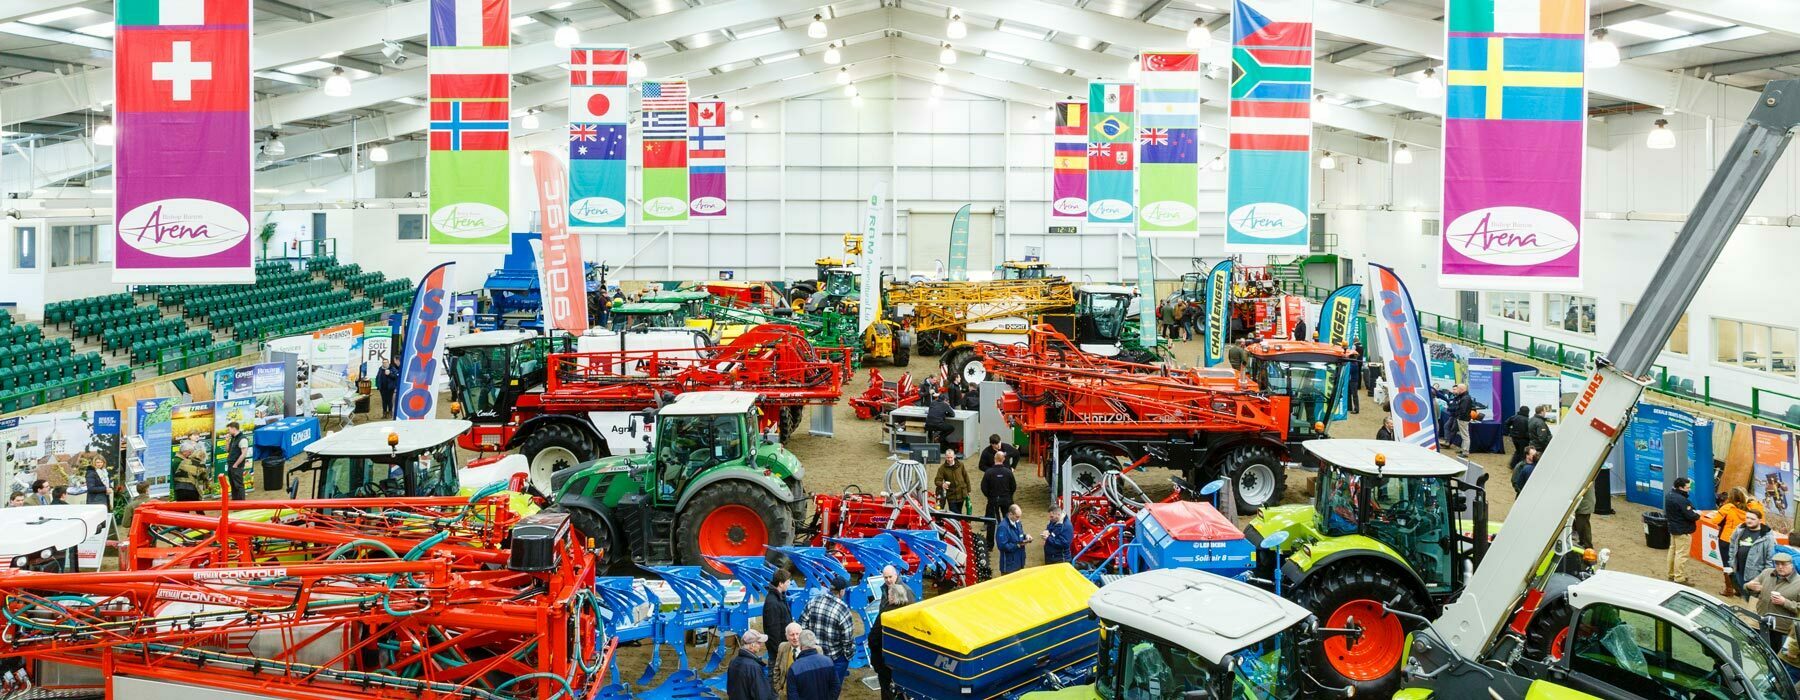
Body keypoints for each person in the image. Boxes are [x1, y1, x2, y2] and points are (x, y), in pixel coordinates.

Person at [797, 577, 857, 682]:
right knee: (833, 688)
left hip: (814, 654)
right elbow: (847, 640)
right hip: (835, 657)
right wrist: (849, 655)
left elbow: (801, 625)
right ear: (842, 591)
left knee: (817, 686)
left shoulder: (813, 601)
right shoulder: (843, 610)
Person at [869, 565, 915, 700]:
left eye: (890, 577)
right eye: (885, 577)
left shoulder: (906, 593)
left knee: (890, 686)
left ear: (896, 575)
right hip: (888, 648)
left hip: (890, 651)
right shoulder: (886, 590)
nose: (888, 580)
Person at [1717, 487, 1768, 596]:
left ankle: (1729, 589)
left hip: (1726, 539)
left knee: (1727, 564)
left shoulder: (1728, 508)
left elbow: (1715, 520)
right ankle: (1741, 589)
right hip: (1743, 539)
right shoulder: (1750, 508)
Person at [1747, 552, 1800, 650]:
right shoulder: (1767, 573)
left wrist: (1785, 602)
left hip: (1781, 630)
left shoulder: (1798, 583)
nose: (1780, 567)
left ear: (1792, 565)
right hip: (1759, 623)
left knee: (1774, 659)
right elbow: (1749, 588)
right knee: (1752, 652)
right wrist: (1749, 586)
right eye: (1777, 564)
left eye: (1784, 564)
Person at [1723, 509, 1777, 602]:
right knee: (1744, 594)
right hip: (1739, 570)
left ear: (1760, 520)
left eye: (1752, 519)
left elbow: (1770, 558)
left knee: (1754, 600)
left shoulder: (1767, 536)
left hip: (1755, 575)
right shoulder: (1740, 529)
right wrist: (1732, 562)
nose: (1749, 520)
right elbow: (1732, 544)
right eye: (1747, 518)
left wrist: (1764, 577)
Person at [1663, 476, 1702, 584]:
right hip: (1682, 530)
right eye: (1687, 487)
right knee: (1681, 555)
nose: (1689, 489)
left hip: (1673, 528)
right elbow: (1691, 516)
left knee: (1672, 551)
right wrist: (1697, 515)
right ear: (1680, 487)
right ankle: (1679, 578)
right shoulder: (1682, 500)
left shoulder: (1669, 495)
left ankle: (1671, 574)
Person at [785, 629, 841, 700]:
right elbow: (836, 686)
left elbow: (792, 696)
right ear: (814, 642)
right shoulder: (828, 662)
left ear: (800, 644)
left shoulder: (794, 668)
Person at [728, 628, 776, 700]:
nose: (761, 645)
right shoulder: (754, 667)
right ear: (752, 645)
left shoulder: (733, 662)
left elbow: (729, 689)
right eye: (759, 642)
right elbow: (761, 695)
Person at [980, 448, 1017, 542]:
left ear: (994, 459)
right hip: (1006, 499)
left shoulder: (989, 472)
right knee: (1008, 520)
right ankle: (1008, 540)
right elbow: (1013, 486)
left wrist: (989, 496)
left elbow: (984, 487)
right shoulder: (1008, 472)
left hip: (993, 500)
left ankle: (990, 544)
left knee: (991, 522)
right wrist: (1009, 496)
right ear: (1003, 459)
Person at [1445, 384, 1485, 457]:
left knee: (1465, 436)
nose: (1457, 390)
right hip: (1463, 419)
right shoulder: (1464, 397)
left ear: (1462, 389)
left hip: (1463, 419)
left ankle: (1465, 452)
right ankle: (1463, 449)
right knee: (1464, 435)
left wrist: (1459, 417)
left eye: (1458, 389)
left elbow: (1463, 410)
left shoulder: (1465, 398)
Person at [174, 431, 210, 501]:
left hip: (180, 487)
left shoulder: (184, 461)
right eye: (194, 435)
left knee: (184, 508)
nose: (197, 436)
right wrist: (207, 484)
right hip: (190, 486)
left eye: (198, 435)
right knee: (196, 506)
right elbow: (205, 478)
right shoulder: (200, 464)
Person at [762, 569, 793, 646]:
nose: (789, 584)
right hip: (778, 648)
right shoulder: (772, 603)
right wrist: (779, 650)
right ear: (781, 584)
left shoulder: (780, 596)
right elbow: (773, 630)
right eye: (788, 582)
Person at [935, 448, 970, 515]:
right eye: (948, 457)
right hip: (951, 495)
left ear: (954, 456)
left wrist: (968, 490)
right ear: (945, 457)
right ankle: (958, 523)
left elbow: (966, 477)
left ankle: (959, 524)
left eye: (951, 457)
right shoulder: (942, 468)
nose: (949, 459)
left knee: (959, 512)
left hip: (962, 493)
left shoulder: (961, 465)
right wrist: (942, 484)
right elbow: (937, 480)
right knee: (954, 514)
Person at [997, 504, 1030, 575]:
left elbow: (1019, 535)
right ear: (1010, 514)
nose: (1019, 519)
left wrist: (1026, 536)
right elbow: (1002, 546)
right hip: (1009, 565)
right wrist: (1017, 545)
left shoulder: (1017, 522)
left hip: (1019, 561)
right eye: (1017, 517)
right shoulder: (1003, 527)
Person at [772, 622, 802, 697]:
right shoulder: (782, 647)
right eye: (792, 635)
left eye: (797, 634)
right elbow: (776, 669)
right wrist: (779, 690)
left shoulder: (813, 649)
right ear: (786, 636)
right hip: (785, 695)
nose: (795, 637)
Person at [224, 423, 249, 501]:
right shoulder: (233, 438)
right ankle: (235, 503)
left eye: (229, 429)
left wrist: (236, 464)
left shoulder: (243, 439)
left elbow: (243, 454)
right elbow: (227, 450)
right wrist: (227, 441)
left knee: (238, 485)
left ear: (234, 428)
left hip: (236, 466)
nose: (228, 431)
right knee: (233, 484)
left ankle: (241, 504)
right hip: (231, 465)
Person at [1573, 480, 1597, 550]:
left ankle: (1588, 545)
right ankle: (1583, 542)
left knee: (1583, 525)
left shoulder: (1585, 477)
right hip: (1585, 503)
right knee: (1581, 524)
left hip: (1585, 504)